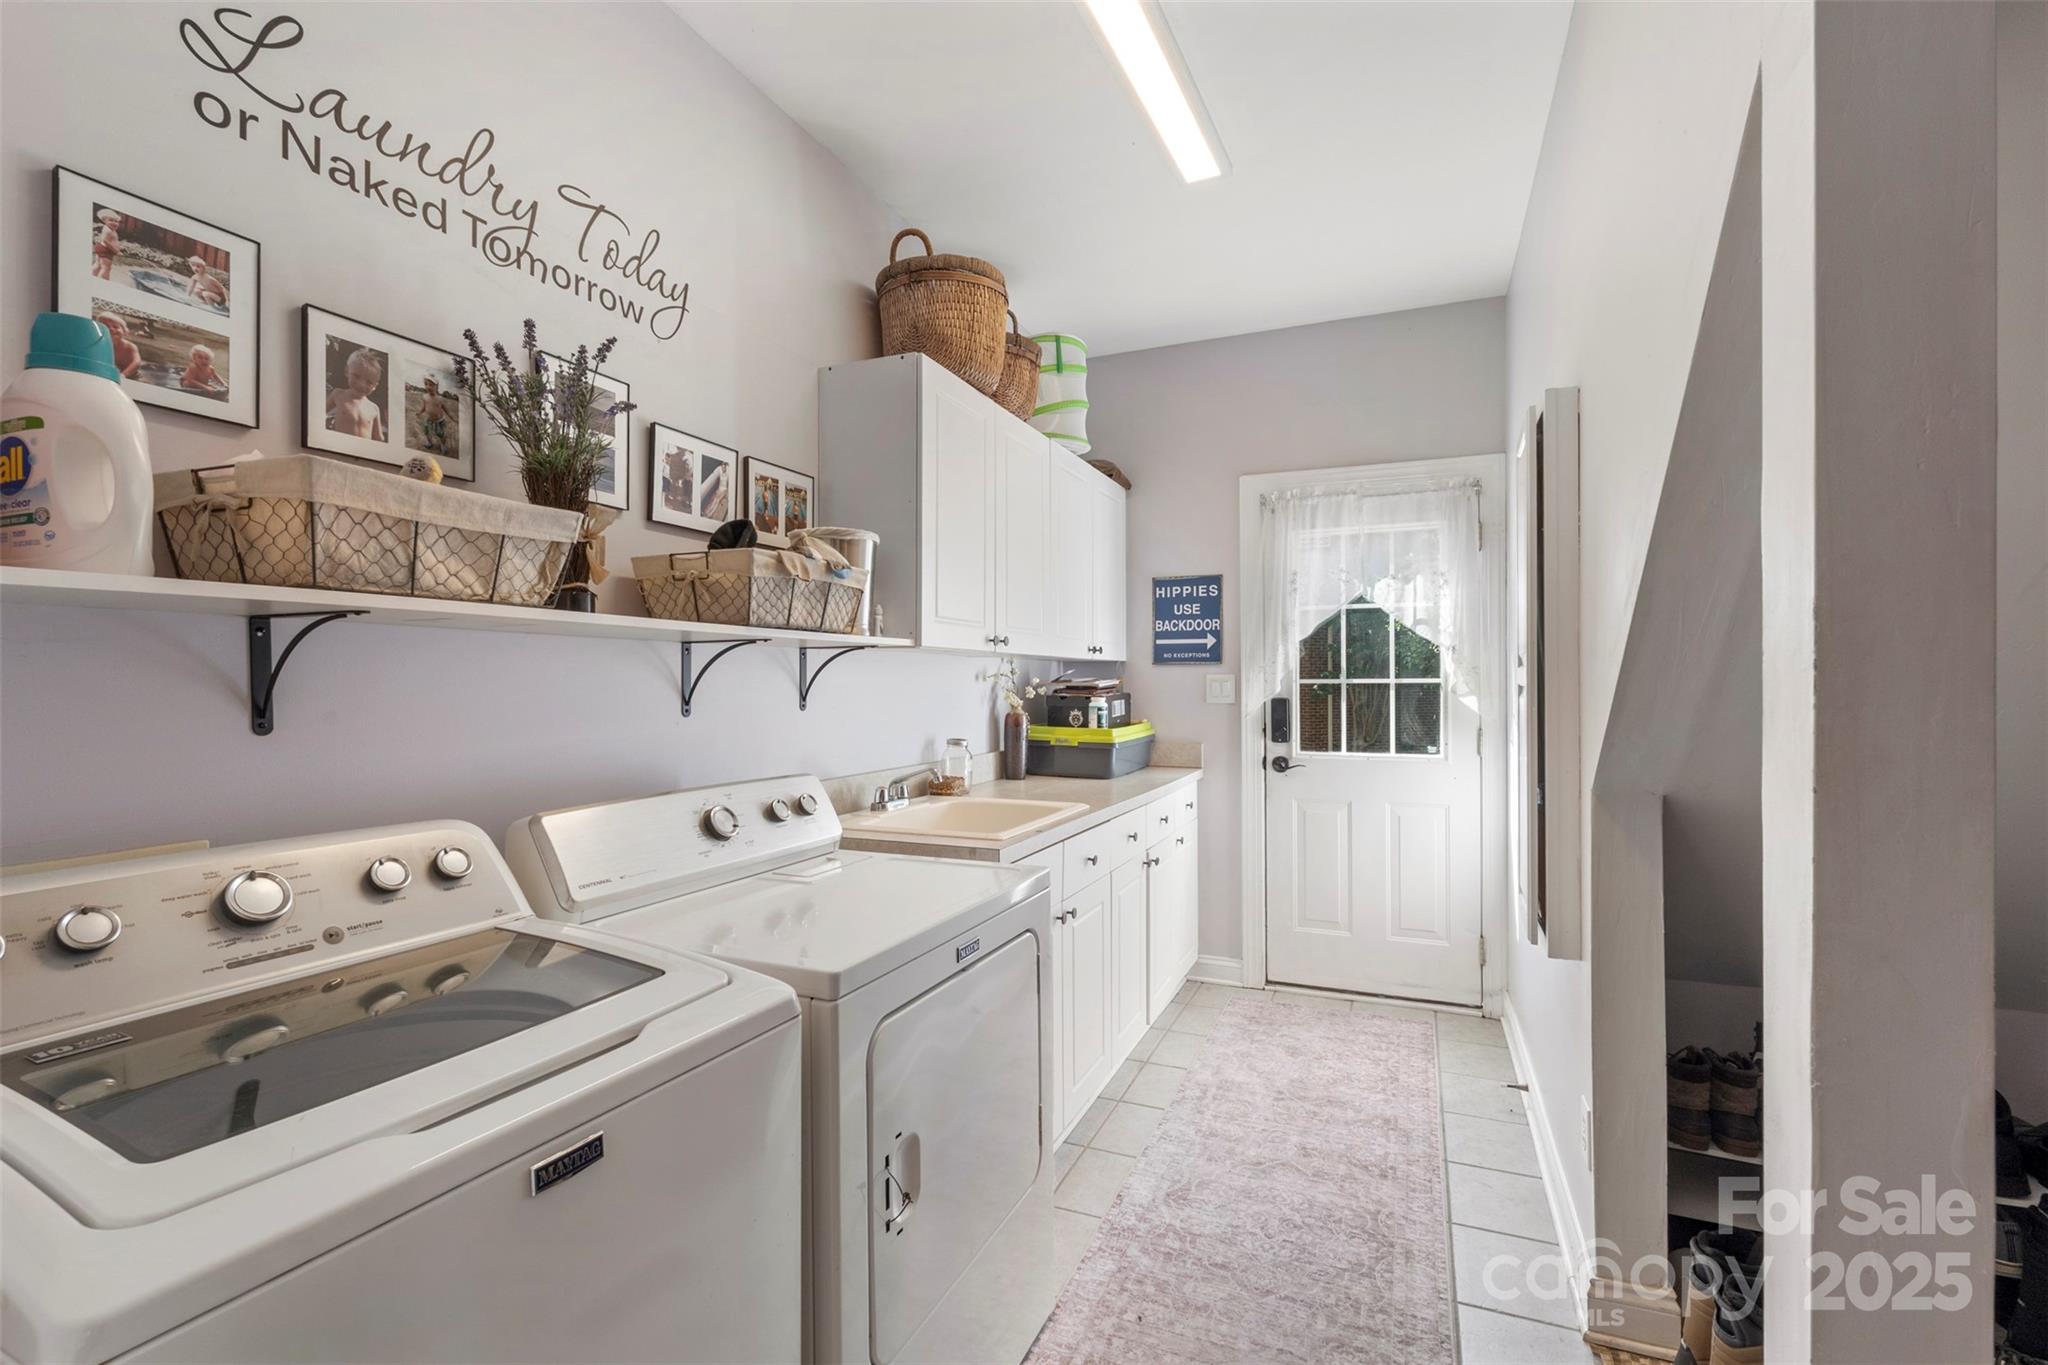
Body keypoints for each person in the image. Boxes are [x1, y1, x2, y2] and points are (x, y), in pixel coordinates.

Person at [326, 348, 386, 440]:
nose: (361, 384)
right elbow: (318, 414)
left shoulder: (374, 408)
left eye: (369, 382)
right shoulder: (338, 394)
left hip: (363, 451)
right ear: (347, 371)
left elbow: (378, 437)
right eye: (356, 376)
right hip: (340, 447)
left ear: (375, 386)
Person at [413, 377, 455, 454]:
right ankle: (430, 443)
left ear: (437, 386)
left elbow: (446, 410)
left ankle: (443, 445)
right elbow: (424, 407)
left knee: (440, 434)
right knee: (426, 432)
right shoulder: (425, 397)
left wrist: (452, 417)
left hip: (438, 421)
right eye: (426, 384)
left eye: (431, 385)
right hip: (428, 419)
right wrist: (419, 412)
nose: (428, 387)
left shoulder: (440, 399)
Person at [94, 312, 141, 378]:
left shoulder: (130, 347)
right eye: (106, 327)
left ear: (124, 332)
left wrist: (123, 375)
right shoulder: (101, 345)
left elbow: (136, 362)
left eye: (115, 327)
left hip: (131, 373)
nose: (111, 329)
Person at [91, 210, 121, 281]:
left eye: (116, 221)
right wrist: (116, 251)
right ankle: (104, 282)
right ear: (104, 221)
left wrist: (119, 246)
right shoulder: (108, 231)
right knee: (106, 268)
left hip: (102, 248)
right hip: (106, 250)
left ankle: (92, 276)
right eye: (111, 220)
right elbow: (106, 242)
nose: (114, 223)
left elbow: (112, 240)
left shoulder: (110, 229)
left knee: (98, 265)